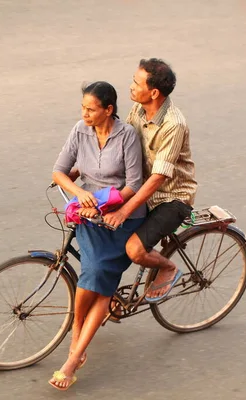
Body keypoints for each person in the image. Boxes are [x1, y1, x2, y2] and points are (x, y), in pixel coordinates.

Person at [49, 81, 146, 390]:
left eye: (91, 109)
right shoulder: (80, 130)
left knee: (98, 275)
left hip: (121, 216)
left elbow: (133, 184)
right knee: (94, 274)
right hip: (89, 214)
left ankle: (73, 357)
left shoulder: (126, 136)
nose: (85, 113)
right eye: (83, 108)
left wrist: (103, 202)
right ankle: (78, 336)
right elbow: (59, 171)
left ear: (109, 110)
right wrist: (80, 194)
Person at [104, 58, 197, 302]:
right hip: (140, 188)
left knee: (134, 249)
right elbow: (122, 143)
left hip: (170, 198)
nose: (131, 86)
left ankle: (168, 267)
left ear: (154, 92)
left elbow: (158, 178)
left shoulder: (173, 124)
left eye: (137, 83)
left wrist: (124, 211)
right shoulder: (139, 109)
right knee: (103, 228)